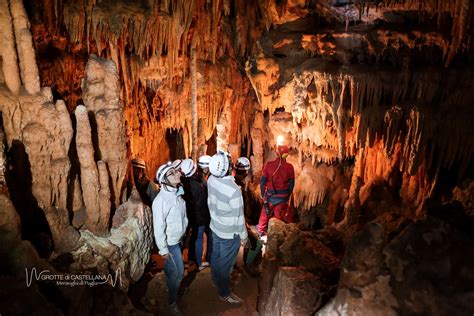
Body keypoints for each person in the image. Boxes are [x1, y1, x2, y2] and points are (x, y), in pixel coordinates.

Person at [207, 151, 248, 304]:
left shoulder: (211, 180)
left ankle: (215, 279)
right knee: (225, 264)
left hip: (215, 227)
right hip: (229, 234)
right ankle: (224, 293)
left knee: (216, 257)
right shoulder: (234, 191)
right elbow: (239, 219)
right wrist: (244, 238)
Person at [153, 162, 188, 315]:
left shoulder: (177, 193)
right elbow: (158, 227)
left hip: (178, 240)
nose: (177, 173)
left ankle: (170, 285)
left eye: (176, 171)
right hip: (170, 244)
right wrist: (163, 250)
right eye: (172, 173)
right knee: (180, 273)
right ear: (164, 180)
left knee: (170, 269)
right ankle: (172, 301)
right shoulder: (161, 201)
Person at [256, 145, 295, 236]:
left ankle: (260, 231)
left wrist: (263, 193)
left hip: (270, 196)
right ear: (286, 155)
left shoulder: (268, 165)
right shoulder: (289, 167)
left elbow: (263, 181)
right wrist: (287, 195)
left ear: (276, 153)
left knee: (265, 215)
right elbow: (291, 184)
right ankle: (276, 234)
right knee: (279, 216)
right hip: (282, 198)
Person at [187, 155, 213, 271]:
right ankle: (199, 262)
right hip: (200, 216)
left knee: (194, 236)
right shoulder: (200, 184)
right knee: (199, 238)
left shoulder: (192, 181)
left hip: (193, 214)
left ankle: (192, 258)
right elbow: (203, 203)